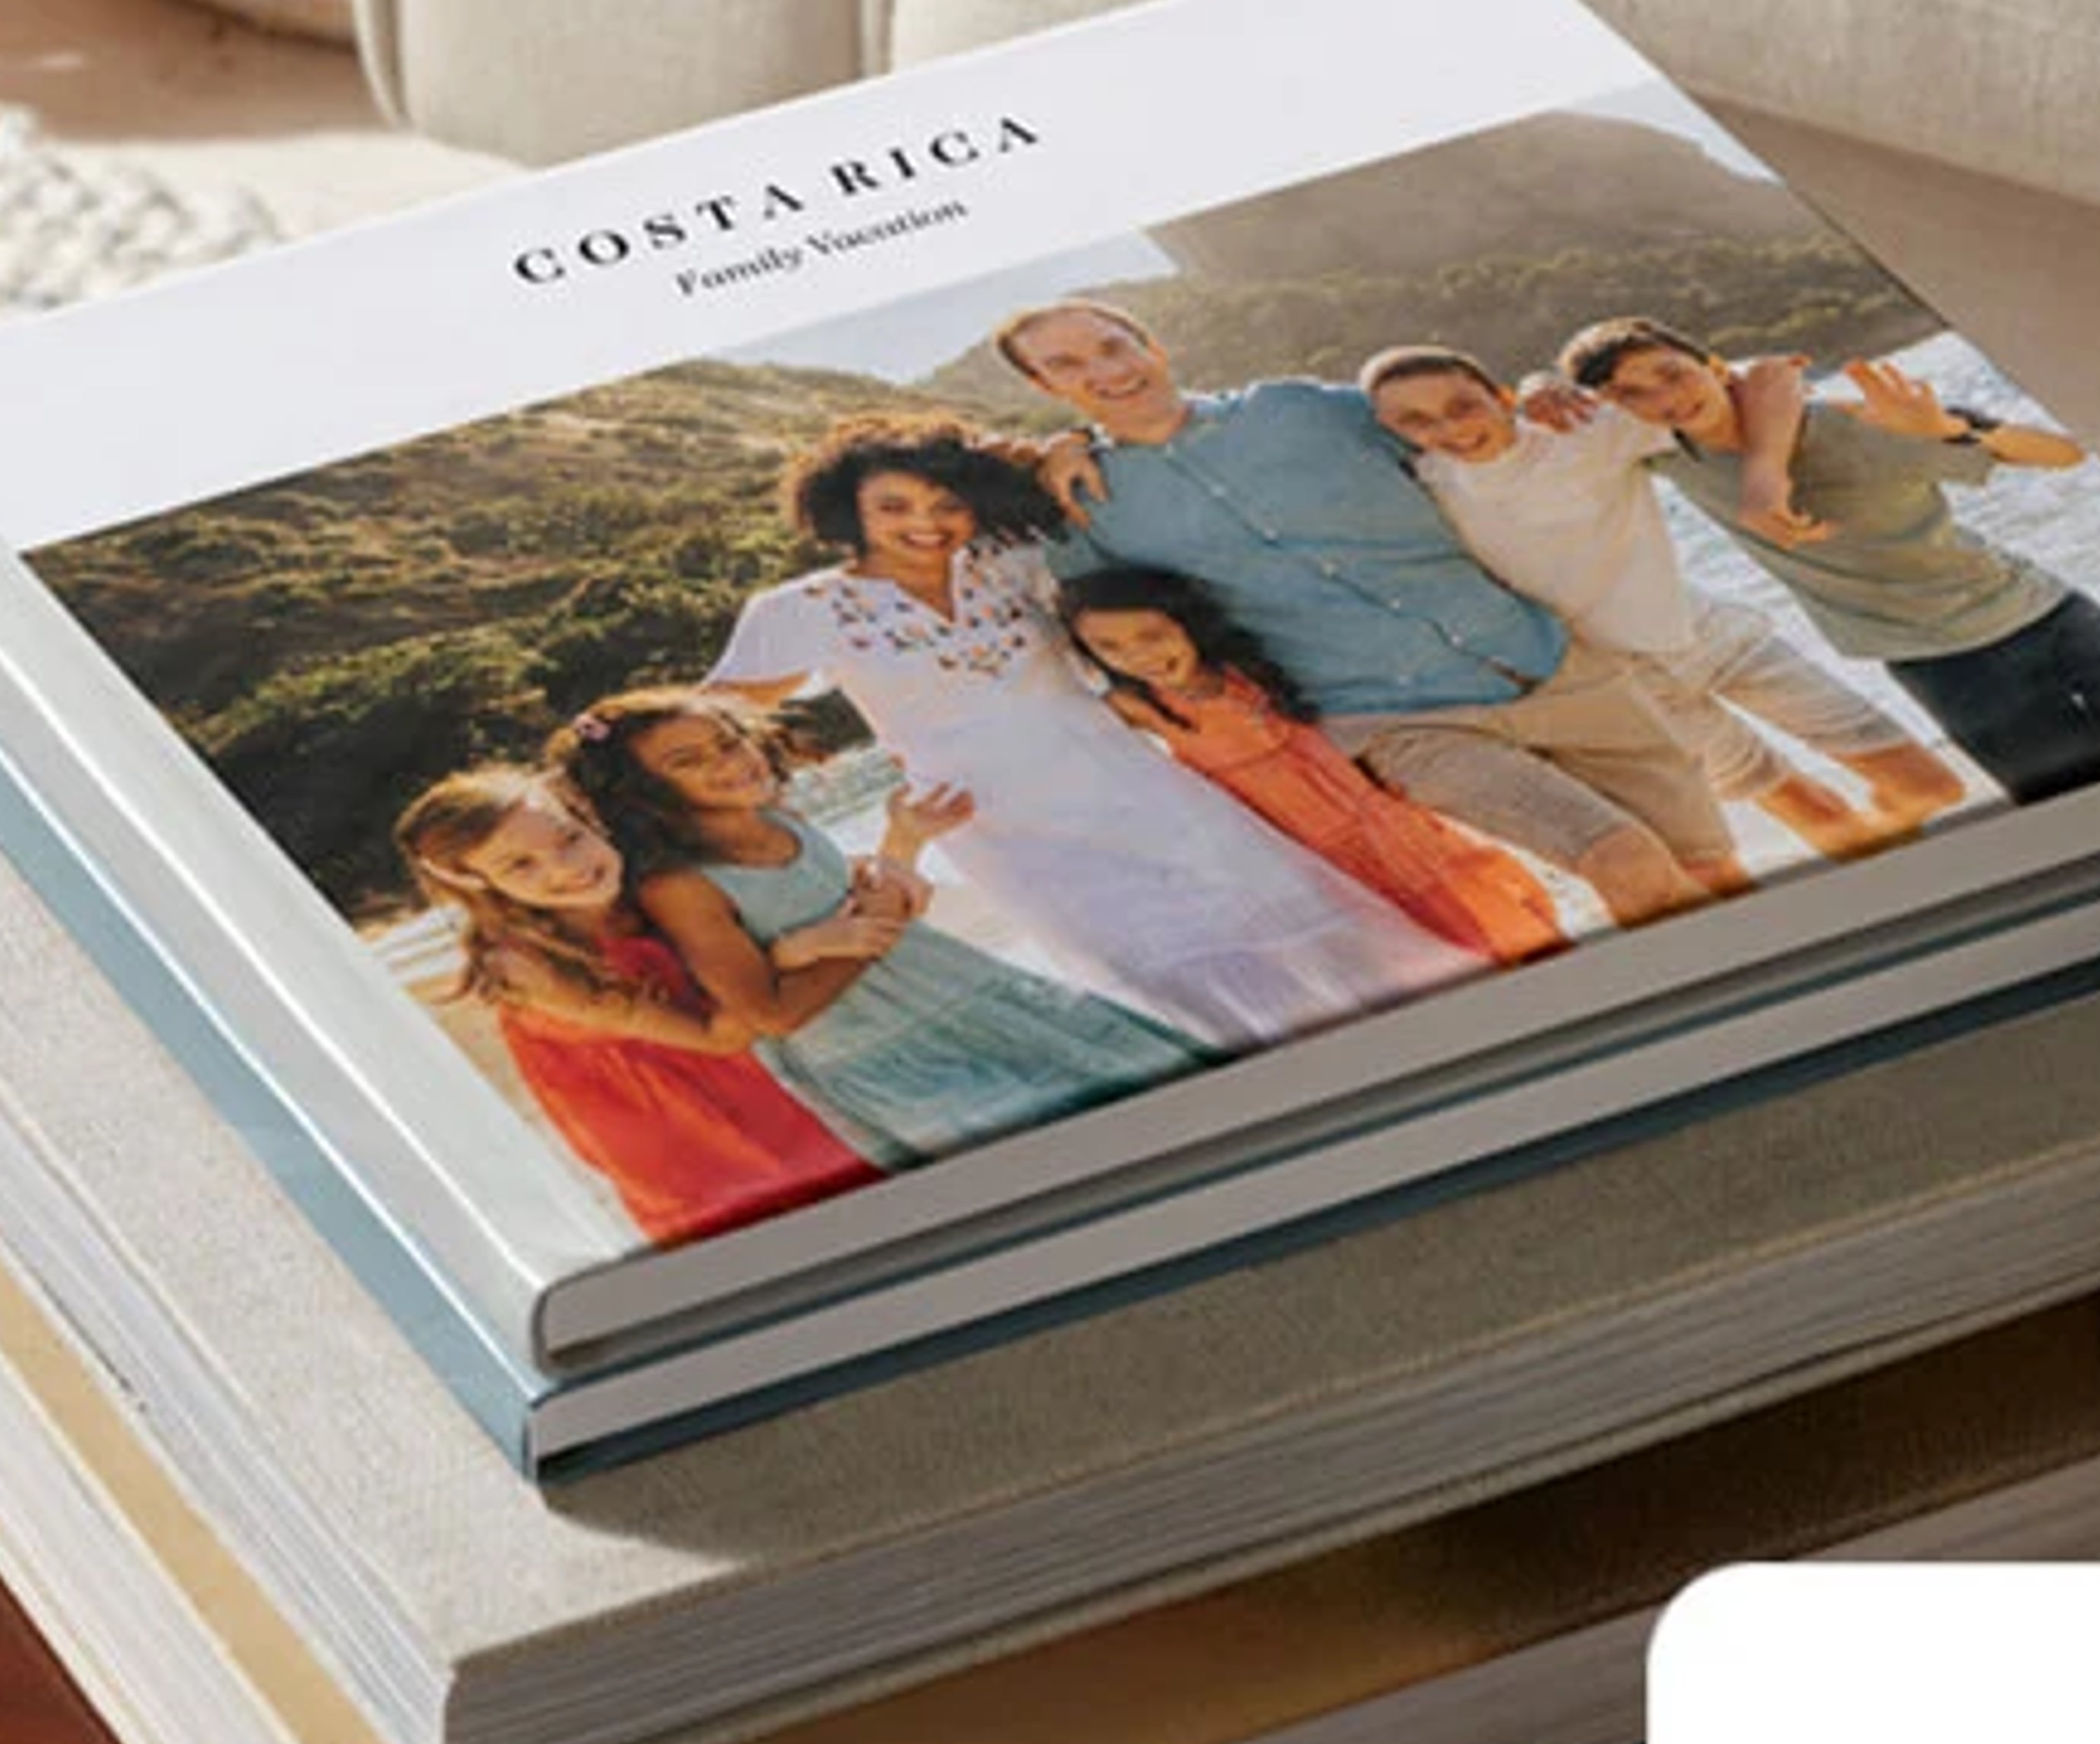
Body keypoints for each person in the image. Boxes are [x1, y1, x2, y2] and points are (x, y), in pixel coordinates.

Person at [709, 415, 1487, 1042]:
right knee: (1181, 982)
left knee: (1297, 919)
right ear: (849, 510)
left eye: (946, 504)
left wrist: (1064, 443)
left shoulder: (1010, 559)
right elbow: (712, 720)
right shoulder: (801, 610)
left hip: (1137, 781)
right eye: (895, 507)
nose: (927, 524)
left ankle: (1456, 1044)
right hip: (1007, 828)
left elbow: (1082, 499)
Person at [993, 298, 1745, 925]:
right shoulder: (1084, 507)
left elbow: (1467, 418)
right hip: (1394, 722)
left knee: (1713, 867)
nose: (1105, 371)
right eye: (1067, 366)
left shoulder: (1301, 410)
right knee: (1621, 857)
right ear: (1041, 386)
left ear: (1150, 342)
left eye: (1112, 345)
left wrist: (1547, 385)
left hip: (1546, 658)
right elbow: (1114, 648)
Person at [1556, 319, 2100, 804]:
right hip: (1940, 667)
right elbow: (1539, 414)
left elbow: (2063, 452)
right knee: (2087, 813)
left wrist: (1952, 428)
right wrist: (1540, 392)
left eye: (1670, 375)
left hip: (2051, 621)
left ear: (1713, 366)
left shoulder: (1855, 427)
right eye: (1630, 396)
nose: (1662, 400)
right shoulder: (1664, 454)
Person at [554, 690, 1207, 1168]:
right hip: (889, 1057)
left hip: (971, 994)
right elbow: (770, 1014)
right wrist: (877, 920)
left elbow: (869, 906)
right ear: (644, 793)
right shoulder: (681, 884)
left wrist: (903, 845)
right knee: (1068, 1177)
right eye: (688, 761)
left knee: (1179, 1116)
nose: (729, 762)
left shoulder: (784, 820)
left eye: (729, 740)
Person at [1357, 343, 1966, 849]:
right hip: (1632, 687)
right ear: (1392, 431)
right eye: (1416, 421)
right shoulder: (1420, 494)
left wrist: (1766, 476)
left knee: (1932, 788)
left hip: (1714, 637)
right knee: (1821, 820)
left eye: (1463, 405)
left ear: (1503, 396)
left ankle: (1898, 840)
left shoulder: (1586, 430)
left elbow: (1752, 382)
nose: (1449, 429)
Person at [391, 765, 881, 1242]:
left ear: (587, 819)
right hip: (670, 1146)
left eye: (569, 838)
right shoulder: (528, 968)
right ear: (475, 884)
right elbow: (721, 1033)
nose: (567, 867)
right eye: (520, 865)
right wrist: (782, 955)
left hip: (753, 1096)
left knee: (857, 1218)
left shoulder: (647, 896)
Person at [1056, 565, 1567, 966]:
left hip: (1398, 830)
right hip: (1328, 867)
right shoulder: (1149, 711)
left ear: (1186, 623)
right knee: (1444, 964)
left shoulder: (1252, 671)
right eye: (1110, 647)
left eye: (1151, 634)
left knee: (1512, 932)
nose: (1138, 655)